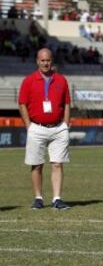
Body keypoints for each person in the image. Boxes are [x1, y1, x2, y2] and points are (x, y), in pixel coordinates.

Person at [18, 48, 71, 210]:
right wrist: (28, 125)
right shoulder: (28, 80)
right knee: (37, 165)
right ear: (37, 61)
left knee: (57, 164)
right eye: (42, 60)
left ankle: (57, 199)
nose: (45, 63)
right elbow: (22, 104)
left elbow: (67, 103)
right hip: (37, 128)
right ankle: (38, 198)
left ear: (52, 61)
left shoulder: (61, 80)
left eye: (48, 60)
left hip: (58, 129)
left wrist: (65, 124)